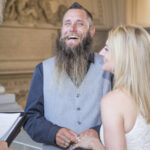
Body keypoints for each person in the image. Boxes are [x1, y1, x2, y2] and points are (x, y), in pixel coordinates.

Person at [24, 2, 112, 150]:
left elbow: (125, 114)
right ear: (61, 31)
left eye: (80, 24)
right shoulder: (42, 69)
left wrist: (98, 132)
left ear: (91, 31)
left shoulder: (109, 66)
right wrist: (53, 133)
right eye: (67, 23)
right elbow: (30, 118)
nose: (72, 29)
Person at [71, 25, 150, 150]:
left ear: (123, 55)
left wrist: (94, 143)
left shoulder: (113, 101)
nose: (101, 53)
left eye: (107, 49)